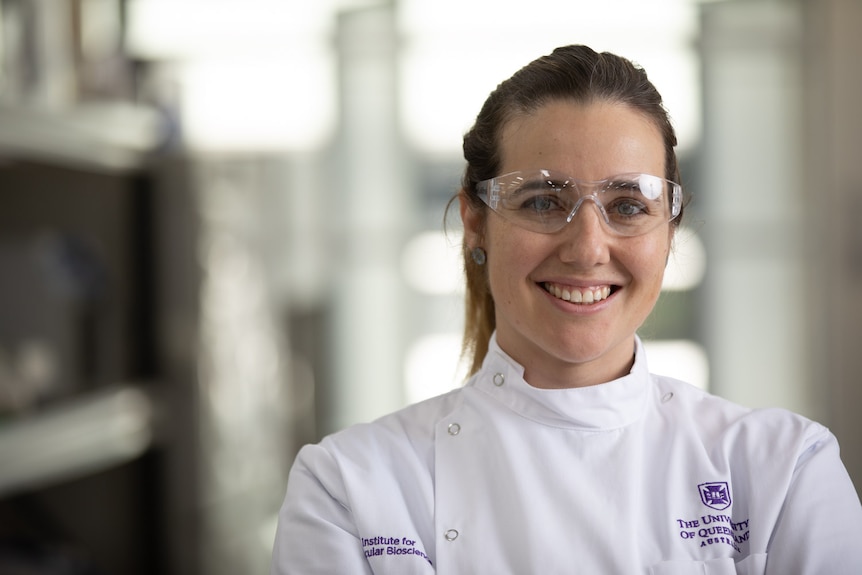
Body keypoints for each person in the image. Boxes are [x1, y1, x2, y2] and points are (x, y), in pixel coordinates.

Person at [271, 45, 862, 574]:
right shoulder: (349, 488)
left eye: (628, 205)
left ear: (669, 230)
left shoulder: (785, 471)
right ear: (476, 222)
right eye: (543, 200)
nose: (586, 249)